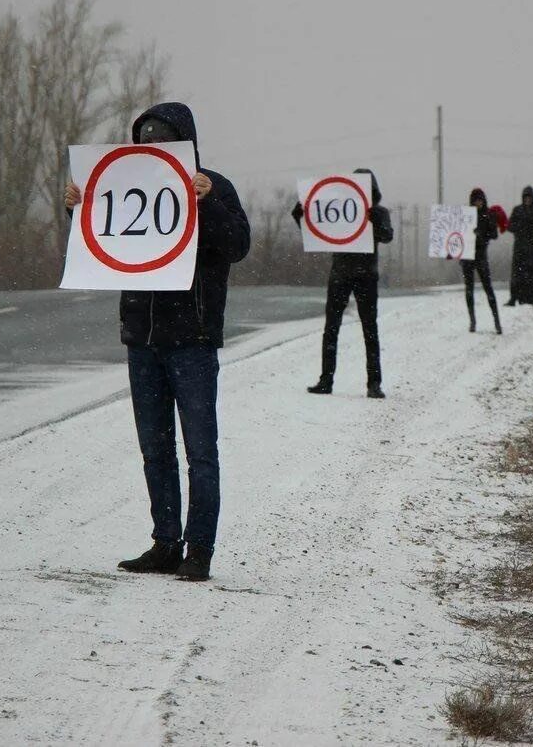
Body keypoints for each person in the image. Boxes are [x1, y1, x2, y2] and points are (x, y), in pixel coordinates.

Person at [63, 102, 251, 582]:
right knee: (155, 447)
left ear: (184, 143)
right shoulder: (125, 183)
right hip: (142, 338)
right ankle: (165, 541)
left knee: (200, 450)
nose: (153, 149)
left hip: (193, 337)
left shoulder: (212, 185)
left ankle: (199, 549)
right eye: (145, 142)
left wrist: (207, 203)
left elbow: (237, 247)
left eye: (163, 141)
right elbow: (105, 245)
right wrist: (79, 208)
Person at [292, 168, 394, 398]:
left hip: (366, 276)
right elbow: (319, 232)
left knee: (369, 329)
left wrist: (376, 220)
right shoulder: (339, 210)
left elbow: (387, 236)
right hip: (340, 274)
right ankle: (326, 380)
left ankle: (374, 383)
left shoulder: (378, 212)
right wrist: (301, 216)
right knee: (332, 328)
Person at [462, 187, 502, 334]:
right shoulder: (465, 215)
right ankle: (472, 321)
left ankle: (496, 321)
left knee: (488, 289)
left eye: (480, 200)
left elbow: (494, 234)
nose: (478, 203)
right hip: (467, 257)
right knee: (469, 290)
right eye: (475, 200)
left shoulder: (488, 215)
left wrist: (481, 234)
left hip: (480, 256)